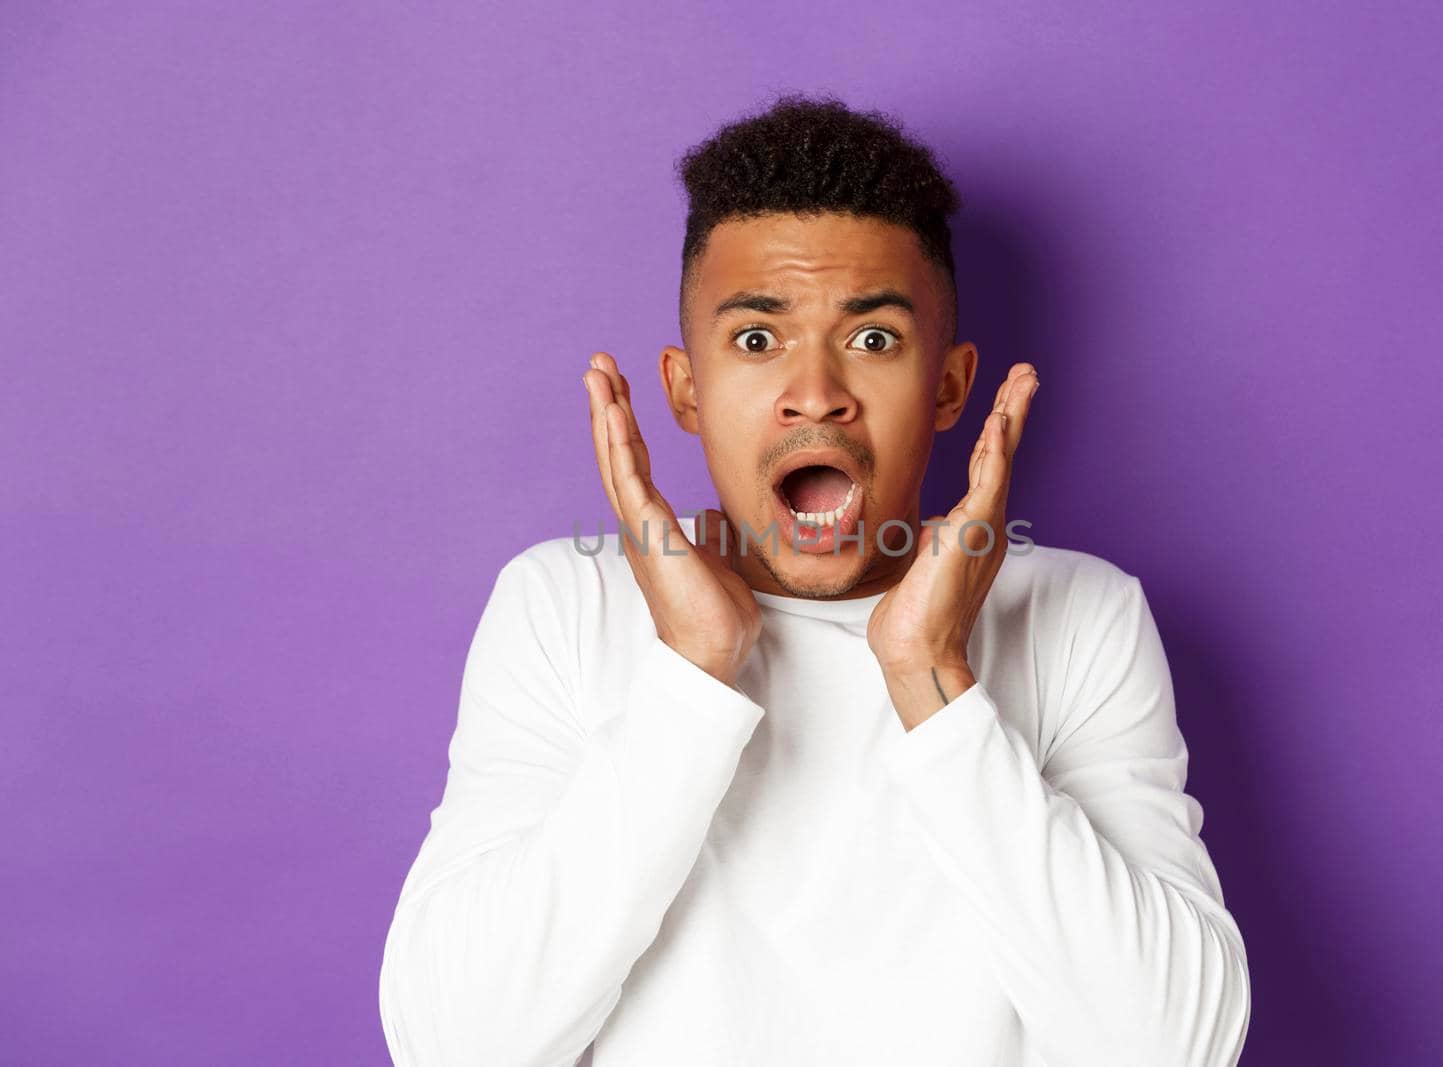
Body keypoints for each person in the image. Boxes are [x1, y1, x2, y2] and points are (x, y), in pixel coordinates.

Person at [378, 93, 1251, 1067]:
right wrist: (691, 672)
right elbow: (450, 1043)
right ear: (685, 389)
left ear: (951, 385)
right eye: (756, 339)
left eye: (873, 339)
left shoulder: (1078, 614)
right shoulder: (564, 604)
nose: (817, 391)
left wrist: (929, 675)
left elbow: (1172, 1046)